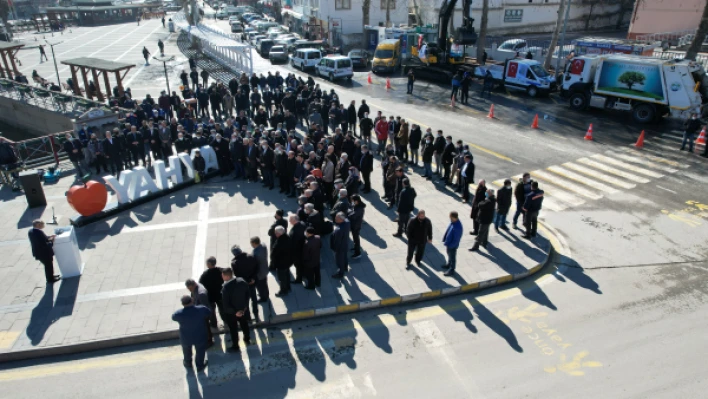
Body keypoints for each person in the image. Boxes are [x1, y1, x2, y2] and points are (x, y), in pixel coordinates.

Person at [172, 295, 212, 370]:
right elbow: (209, 313)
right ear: (192, 300)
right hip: (200, 335)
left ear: (182, 304)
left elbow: (173, 317)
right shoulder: (202, 309)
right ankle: (199, 365)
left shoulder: (178, 314)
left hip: (186, 337)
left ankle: (188, 363)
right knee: (200, 351)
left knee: (186, 351)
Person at [220, 268, 251, 352]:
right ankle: (247, 338)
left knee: (233, 329)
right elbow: (247, 295)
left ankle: (235, 345)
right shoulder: (242, 281)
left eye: (222, 275)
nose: (221, 276)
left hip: (232, 313)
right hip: (243, 310)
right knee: (244, 324)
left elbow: (226, 304)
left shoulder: (225, 288)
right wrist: (244, 307)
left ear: (226, 276)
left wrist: (235, 312)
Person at [185, 278, 213, 346]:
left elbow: (204, 307)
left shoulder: (201, 293)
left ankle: (209, 341)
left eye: (190, 288)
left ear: (194, 284)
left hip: (203, 314)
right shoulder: (195, 288)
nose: (190, 290)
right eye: (188, 288)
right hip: (199, 311)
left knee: (206, 327)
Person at [198, 256, 223, 330]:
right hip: (219, 294)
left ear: (209, 264)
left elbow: (200, 284)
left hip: (210, 296)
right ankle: (226, 320)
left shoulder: (205, 274)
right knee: (222, 308)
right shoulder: (220, 271)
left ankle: (214, 324)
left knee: (212, 311)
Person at [271, 225, 292, 296]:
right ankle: (288, 287)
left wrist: (273, 262)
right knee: (287, 275)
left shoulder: (278, 243)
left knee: (281, 278)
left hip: (281, 264)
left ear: (278, 234)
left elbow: (273, 254)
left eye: (275, 232)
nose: (275, 234)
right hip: (288, 261)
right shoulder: (288, 237)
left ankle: (283, 291)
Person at [442, 211, 463, 277]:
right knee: (449, 254)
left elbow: (456, 239)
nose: (450, 219)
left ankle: (452, 269)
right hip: (449, 243)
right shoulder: (453, 222)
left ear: (454, 217)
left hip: (452, 245)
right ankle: (449, 264)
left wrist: (451, 245)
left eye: (450, 217)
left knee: (452, 257)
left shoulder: (458, 227)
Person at [330, 212, 350, 279]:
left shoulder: (338, 230)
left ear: (341, 219)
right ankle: (345, 267)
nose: (335, 218)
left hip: (339, 248)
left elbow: (337, 241)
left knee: (339, 260)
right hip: (345, 244)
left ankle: (340, 273)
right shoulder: (347, 222)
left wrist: (335, 249)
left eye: (337, 218)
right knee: (345, 256)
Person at [288, 215, 307, 284]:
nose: (289, 221)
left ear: (294, 220)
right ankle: (304, 274)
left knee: (298, 265)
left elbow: (293, 243)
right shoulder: (302, 224)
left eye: (290, 220)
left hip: (297, 252)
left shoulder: (294, 232)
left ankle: (299, 279)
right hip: (303, 248)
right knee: (302, 264)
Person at [250, 236, 269, 303]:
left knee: (260, 286)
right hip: (265, 269)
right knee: (265, 284)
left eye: (251, 244)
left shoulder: (255, 253)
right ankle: (266, 295)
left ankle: (263, 297)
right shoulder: (263, 245)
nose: (251, 245)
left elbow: (254, 264)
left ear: (254, 243)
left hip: (260, 273)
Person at [349, 194, 366, 259]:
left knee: (356, 239)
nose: (352, 201)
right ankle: (356, 247)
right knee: (355, 238)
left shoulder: (359, 208)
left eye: (352, 200)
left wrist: (349, 213)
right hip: (355, 224)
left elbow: (353, 216)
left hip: (356, 225)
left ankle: (357, 253)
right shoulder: (357, 205)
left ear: (356, 201)